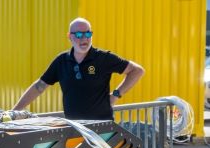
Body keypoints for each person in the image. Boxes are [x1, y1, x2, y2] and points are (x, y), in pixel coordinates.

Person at [13, 17, 144, 120]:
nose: (84, 38)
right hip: (75, 129)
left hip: (102, 128)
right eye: (79, 34)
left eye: (88, 34)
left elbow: (137, 71)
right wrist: (14, 111)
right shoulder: (61, 61)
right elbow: (39, 86)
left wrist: (115, 95)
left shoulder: (103, 58)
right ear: (70, 36)